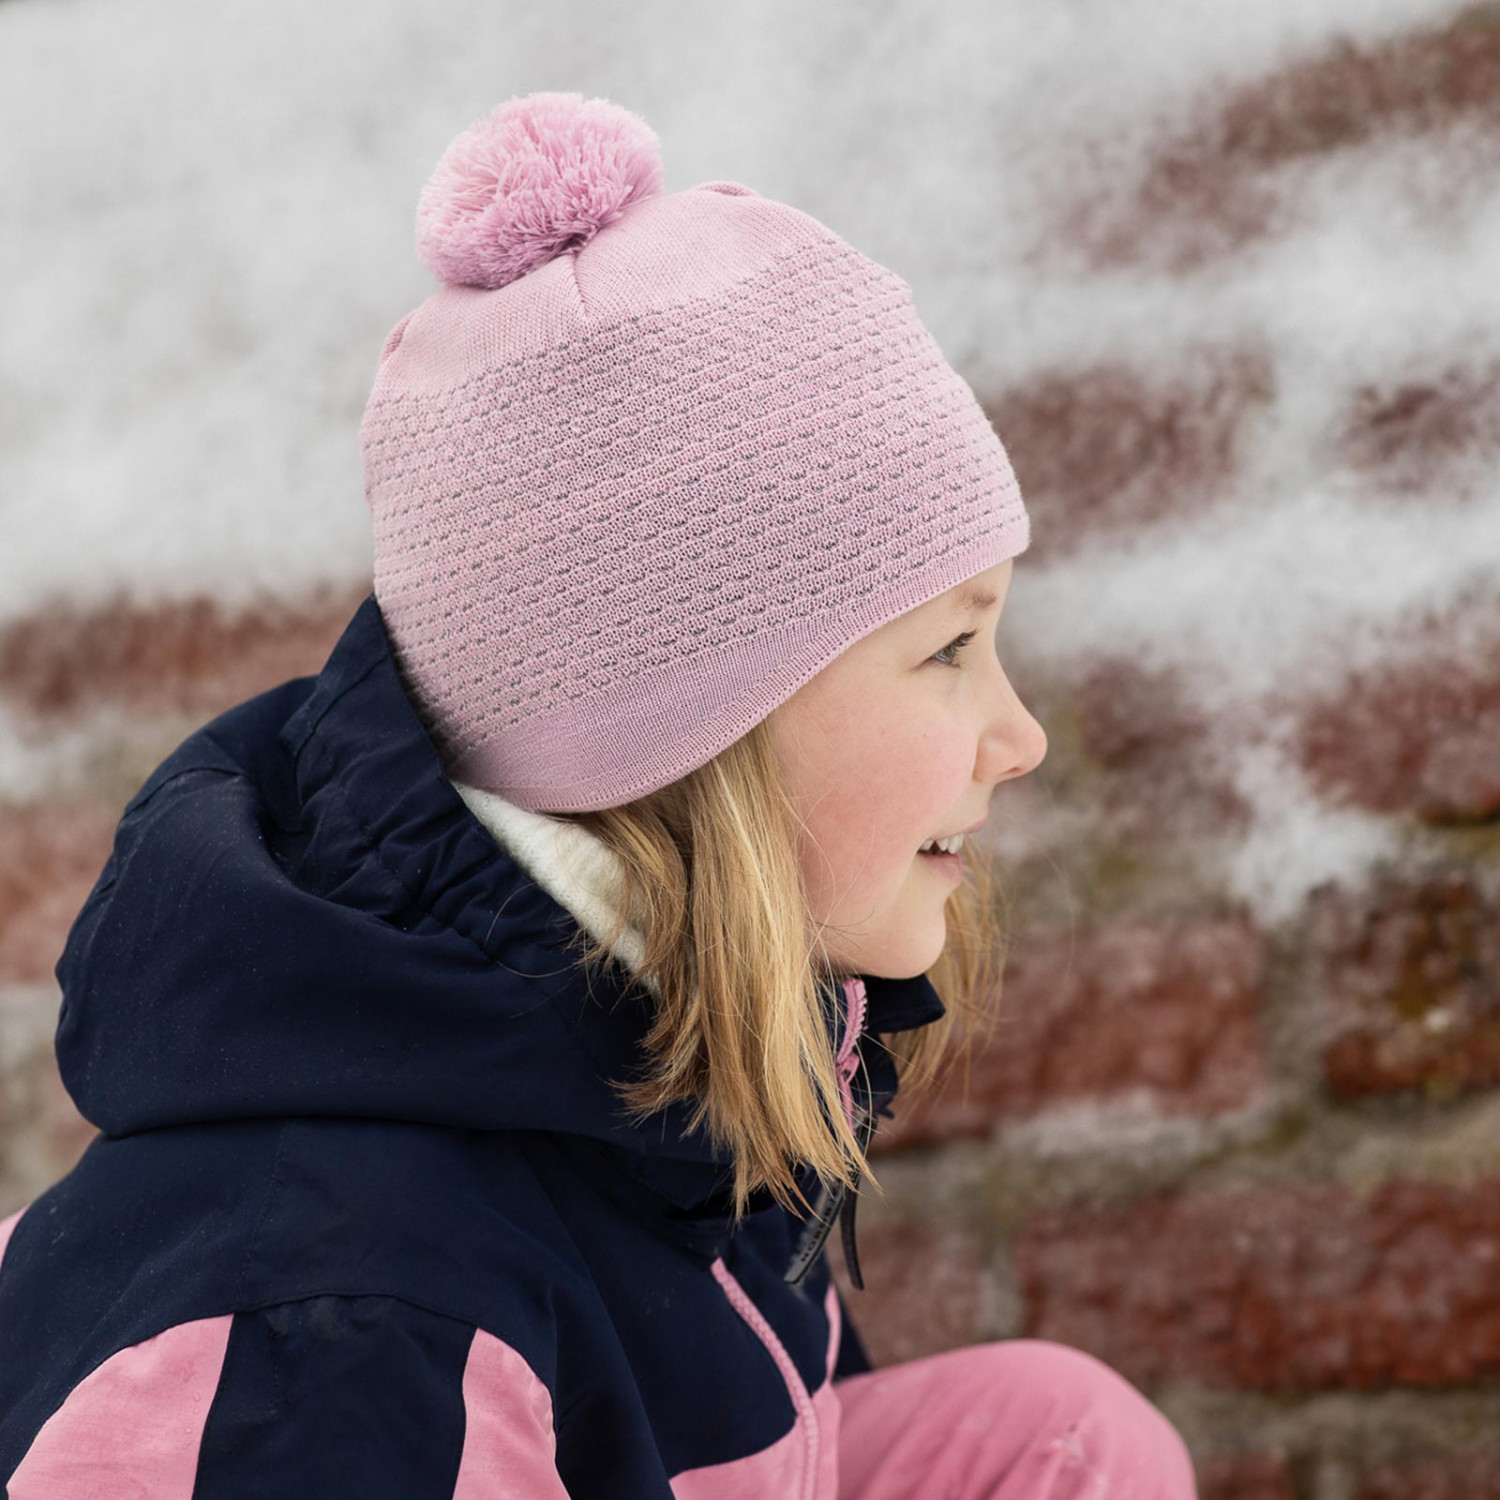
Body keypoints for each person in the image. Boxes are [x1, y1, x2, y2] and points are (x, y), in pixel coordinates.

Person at [0, 91, 1199, 1498]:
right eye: (946, 649)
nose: (1021, 737)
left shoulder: (658, 1054)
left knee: (1060, 1444)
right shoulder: (351, 1339)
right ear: (693, 740)